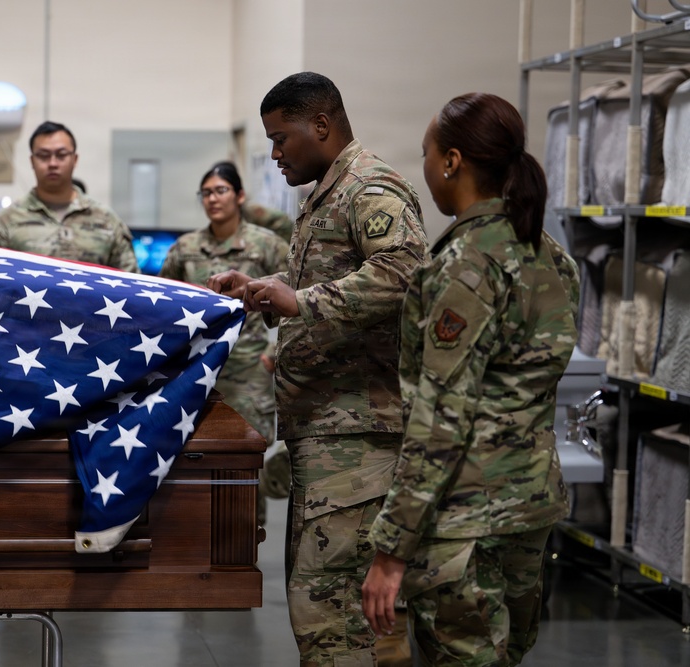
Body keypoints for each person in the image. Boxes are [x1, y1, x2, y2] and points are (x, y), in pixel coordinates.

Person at [207, 71, 428, 667]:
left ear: (322, 125)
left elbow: (405, 275)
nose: (275, 154)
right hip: (326, 435)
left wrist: (300, 301)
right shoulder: (327, 193)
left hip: (358, 437)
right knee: (332, 614)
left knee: (329, 617)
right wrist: (267, 288)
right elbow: (329, 289)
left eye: (281, 139)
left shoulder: (370, 188)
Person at [362, 93, 580, 667]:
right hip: (528, 506)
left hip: (464, 517)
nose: (427, 168)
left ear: (453, 162)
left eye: (427, 155)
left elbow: (440, 422)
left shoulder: (465, 265)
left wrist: (391, 550)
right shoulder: (552, 257)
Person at [158, 161, 288, 521]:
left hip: (248, 372)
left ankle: (245, 557)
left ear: (240, 195)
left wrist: (272, 352)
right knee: (194, 462)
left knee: (245, 467)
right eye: (206, 193)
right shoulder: (186, 248)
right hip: (199, 373)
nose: (213, 199)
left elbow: (299, 295)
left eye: (221, 190)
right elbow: (165, 303)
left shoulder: (266, 245)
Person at [0, 121, 139, 272]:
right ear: (32, 161)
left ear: (75, 160)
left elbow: (131, 285)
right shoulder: (5, 223)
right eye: (44, 156)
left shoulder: (106, 221)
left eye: (61, 155)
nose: (53, 163)